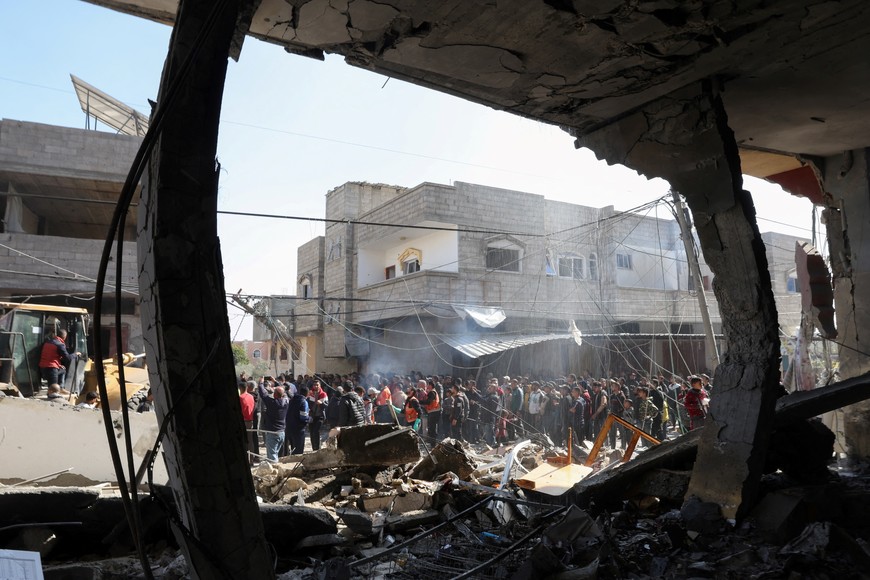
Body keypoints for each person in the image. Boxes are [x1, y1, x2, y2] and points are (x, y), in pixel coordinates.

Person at [257, 380, 289, 462]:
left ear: (274, 394)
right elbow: (283, 393)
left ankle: (274, 473)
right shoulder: (286, 401)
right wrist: (276, 383)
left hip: (273, 433)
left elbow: (263, 395)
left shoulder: (272, 403)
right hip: (282, 432)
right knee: (275, 454)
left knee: (272, 456)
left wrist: (260, 383)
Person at [286, 385, 310, 455]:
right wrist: (310, 419)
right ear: (307, 394)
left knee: (292, 449)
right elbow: (303, 417)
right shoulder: (303, 402)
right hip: (299, 429)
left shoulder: (292, 400)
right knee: (298, 450)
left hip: (289, 427)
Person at [307, 381, 328, 450]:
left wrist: (321, 404)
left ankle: (317, 448)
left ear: (320, 386)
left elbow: (327, 406)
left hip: (320, 416)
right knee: (312, 433)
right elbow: (307, 404)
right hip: (312, 416)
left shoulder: (323, 394)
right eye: (314, 385)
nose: (315, 386)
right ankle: (314, 448)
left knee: (316, 432)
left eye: (317, 385)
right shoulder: (310, 394)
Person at [239, 381, 256, 464]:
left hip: (244, 421)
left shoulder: (241, 398)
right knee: (250, 441)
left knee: (243, 441)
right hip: (250, 421)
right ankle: (251, 460)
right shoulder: (251, 396)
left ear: (240, 388)